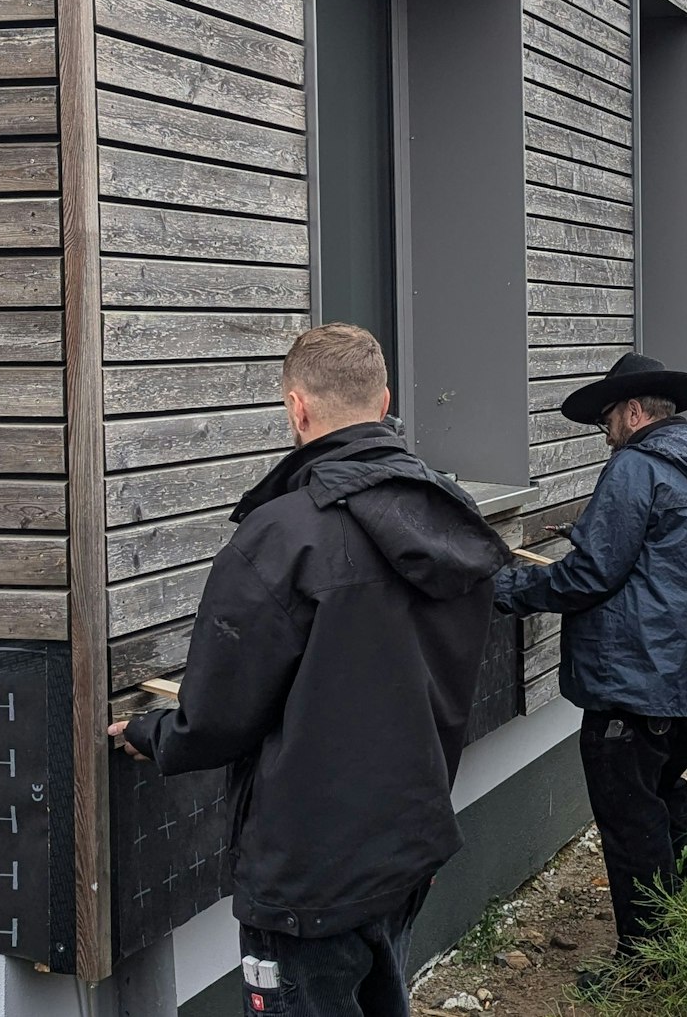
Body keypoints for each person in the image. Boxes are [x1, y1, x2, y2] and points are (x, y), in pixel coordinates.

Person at [107, 324, 511, 1017]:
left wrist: (150, 732)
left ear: (297, 409)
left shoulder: (281, 535)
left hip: (308, 880)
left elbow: (216, 715)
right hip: (408, 845)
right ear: (383, 402)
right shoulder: (451, 518)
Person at [492, 353, 687, 973]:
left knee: (632, 825)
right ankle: (686, 929)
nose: (603, 431)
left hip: (631, 689)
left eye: (606, 417)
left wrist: (504, 591)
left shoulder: (635, 466)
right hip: (683, 682)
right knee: (664, 800)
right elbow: (679, 566)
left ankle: (647, 964)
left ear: (633, 412)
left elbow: (590, 576)